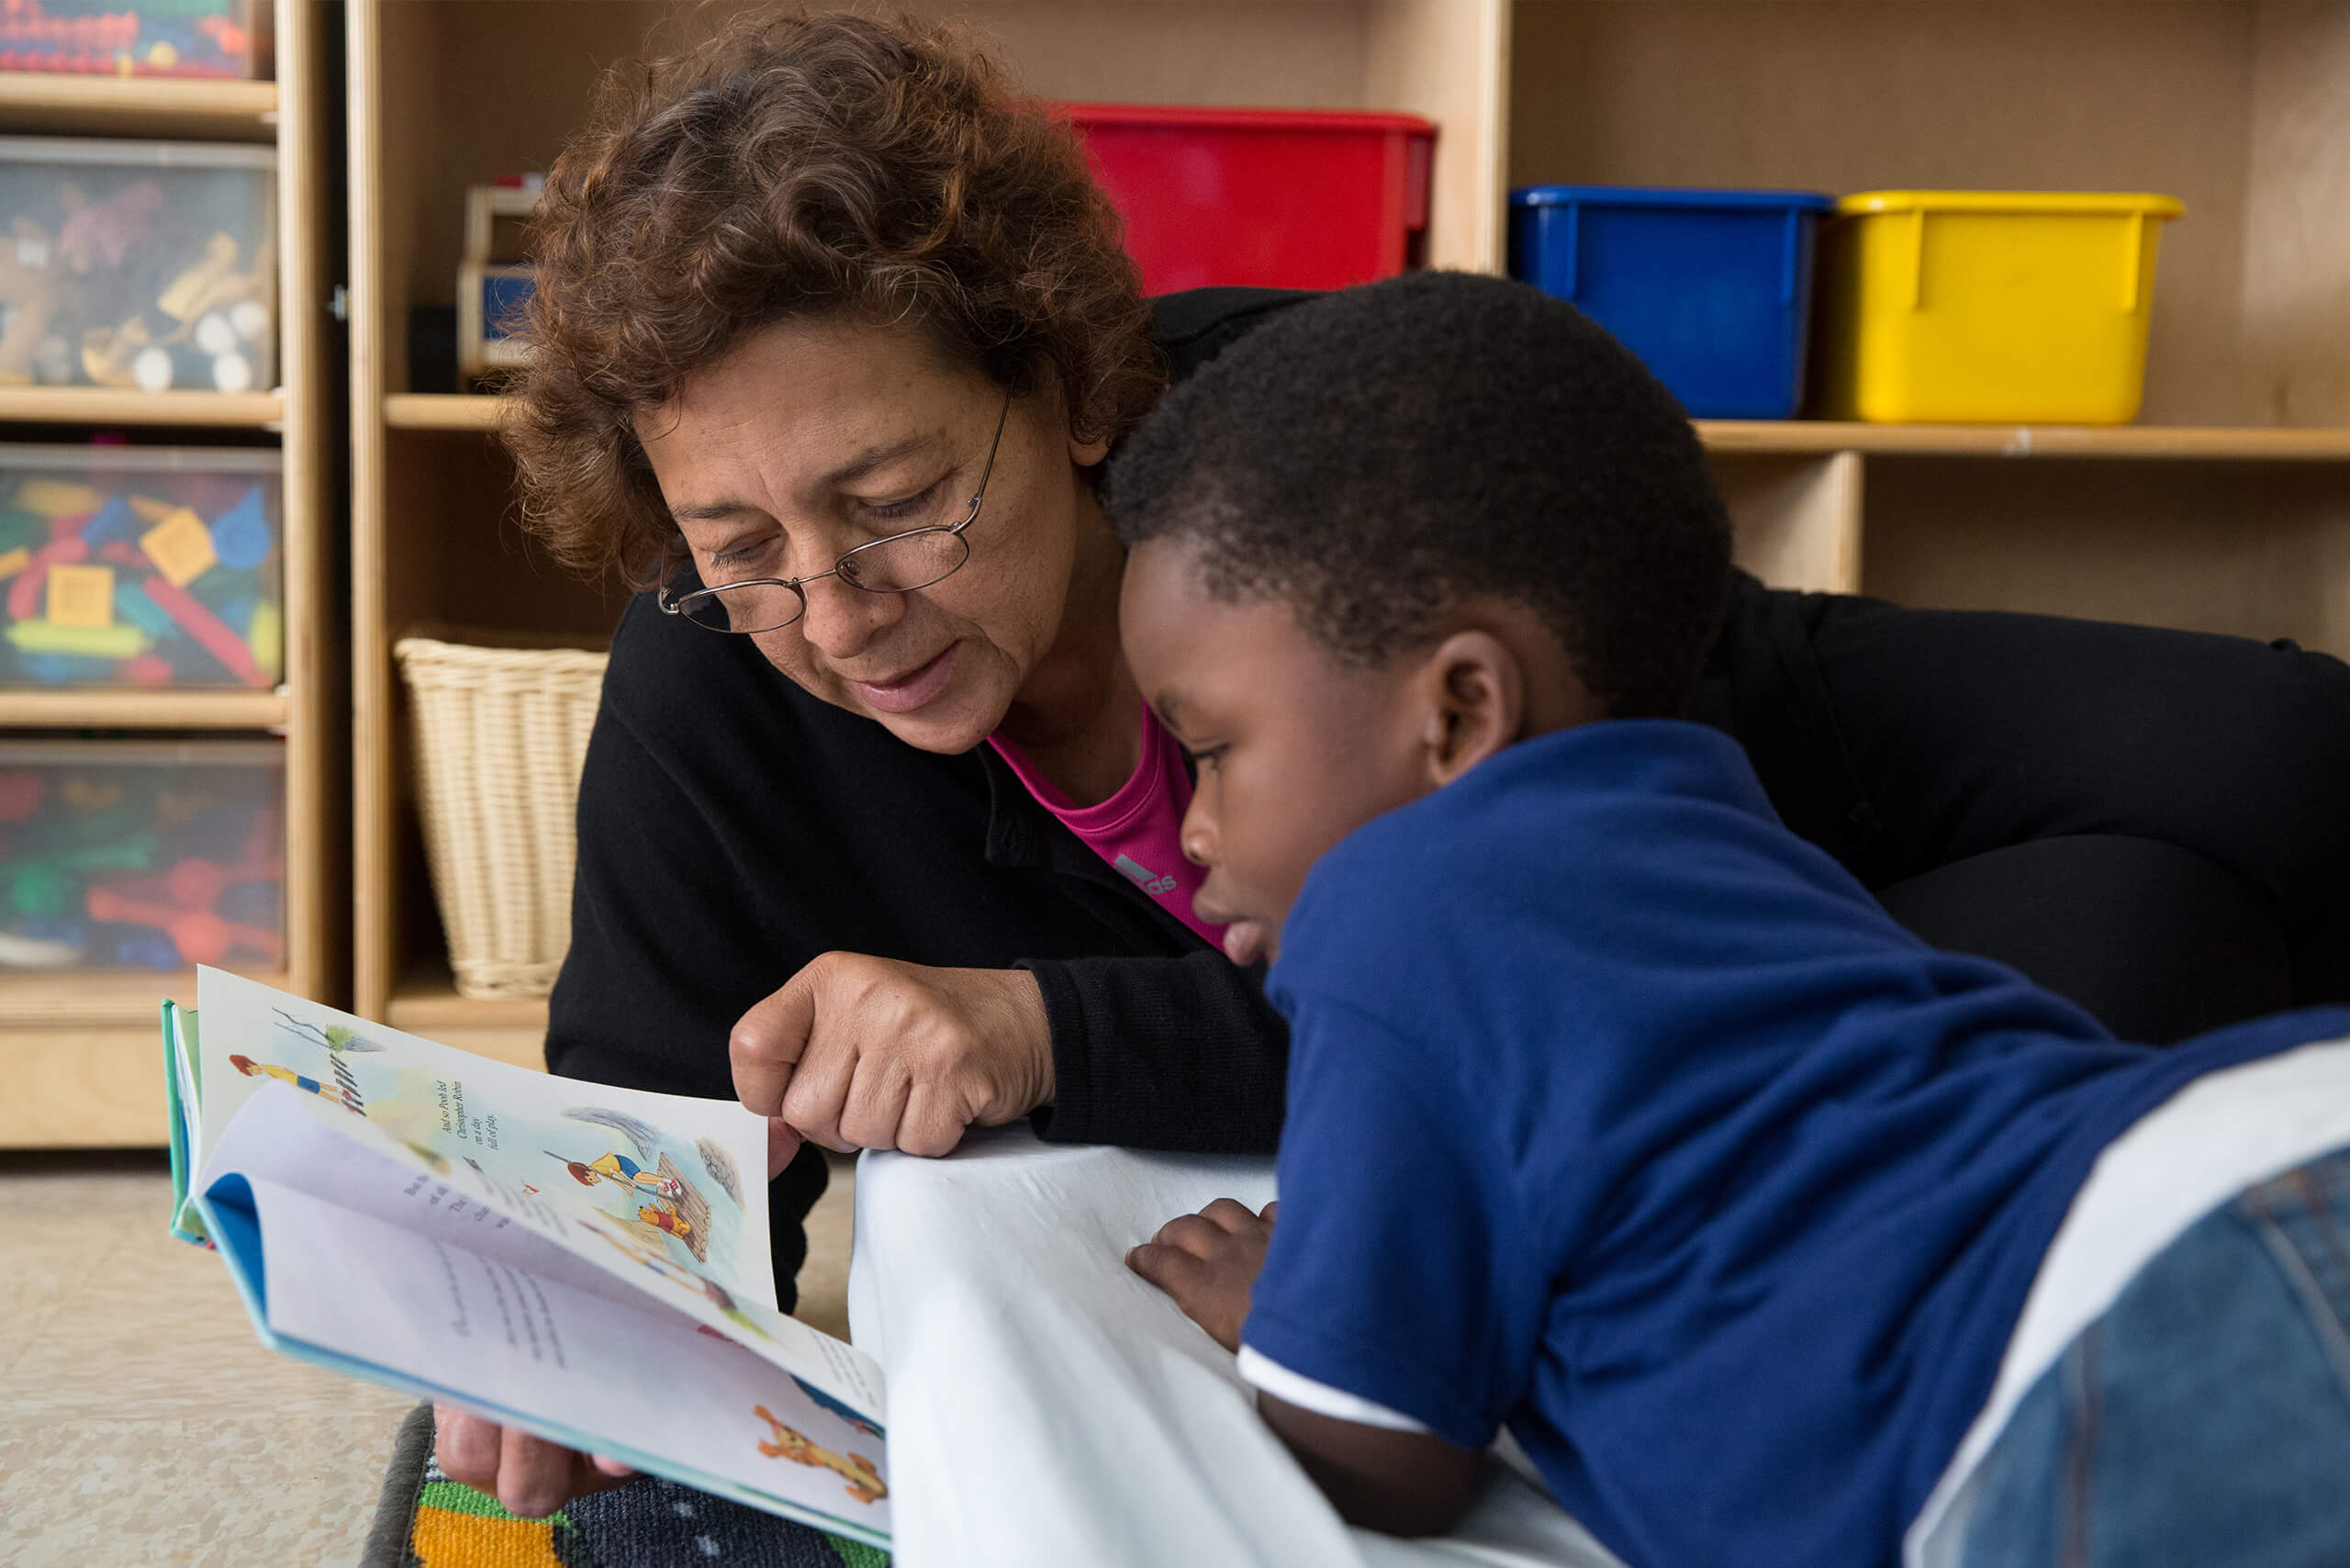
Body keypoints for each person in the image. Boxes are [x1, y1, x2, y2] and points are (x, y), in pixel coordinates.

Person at [437, 8, 2350, 1520]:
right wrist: (568, 1307)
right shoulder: (715, 673)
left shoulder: (1314, 475)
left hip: (1715, 821)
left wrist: (1043, 1028)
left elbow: (1560, 971)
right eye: (743, 544)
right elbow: (664, 1139)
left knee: (2231, 817)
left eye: (899, 500)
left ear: (1081, 391)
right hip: (1480, 1119)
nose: (836, 608)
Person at [1115, 272, 2350, 1568]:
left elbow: (1384, 1460)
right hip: (2237, 1153)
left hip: (2109, 1353)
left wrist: (1288, 1315)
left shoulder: (1387, 913)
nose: (1195, 827)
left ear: (1459, 713)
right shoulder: (1723, 825)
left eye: (1210, 751)